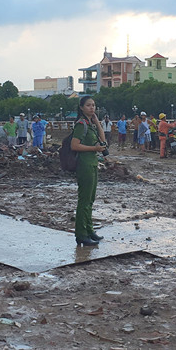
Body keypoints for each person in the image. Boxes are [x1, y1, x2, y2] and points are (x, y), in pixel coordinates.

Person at [70, 96, 107, 246]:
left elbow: (103, 141)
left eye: (93, 105)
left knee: (90, 199)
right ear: (81, 107)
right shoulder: (81, 125)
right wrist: (94, 148)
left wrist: (97, 123)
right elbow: (74, 145)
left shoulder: (90, 124)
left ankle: (89, 230)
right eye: (88, 105)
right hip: (84, 164)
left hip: (92, 163)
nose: (92, 108)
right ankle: (81, 234)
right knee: (84, 200)